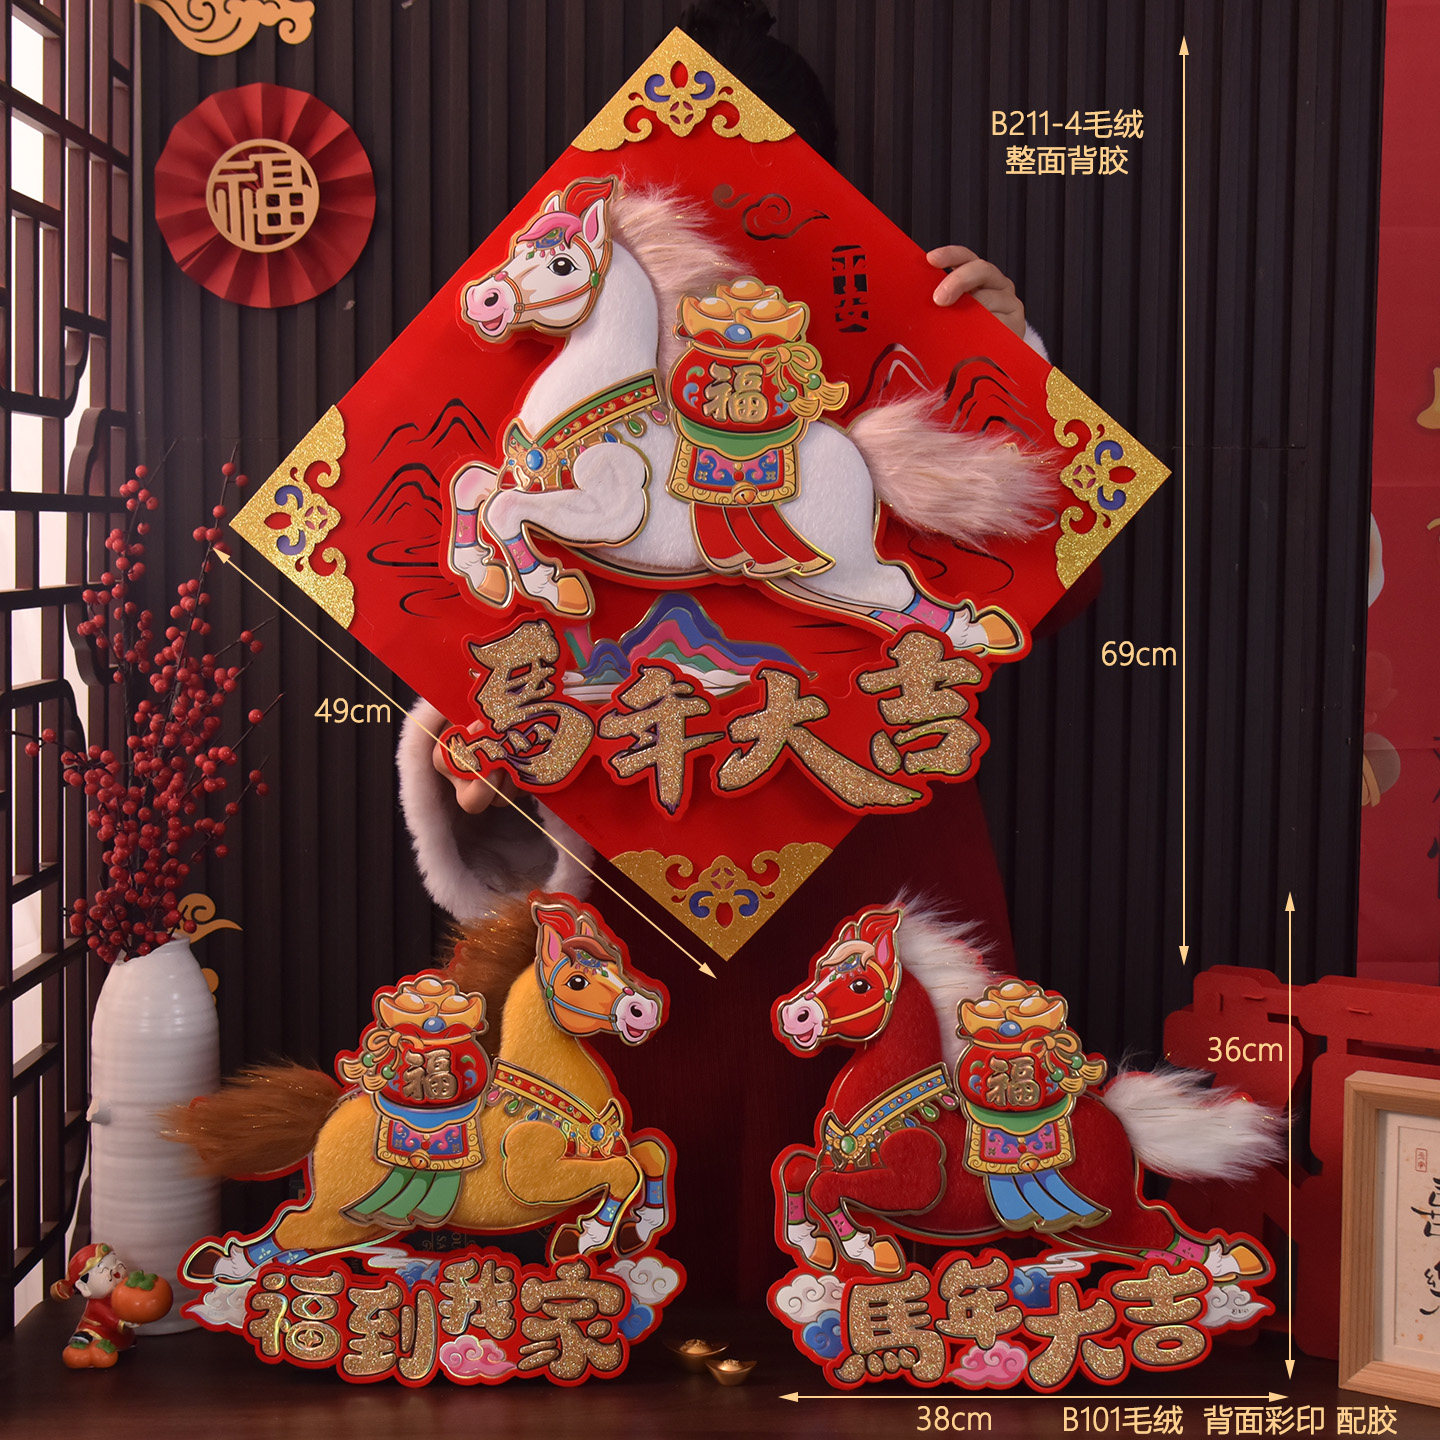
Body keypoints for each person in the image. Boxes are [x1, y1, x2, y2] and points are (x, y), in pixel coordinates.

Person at [397, 0, 1076, 1303]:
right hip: (635, 825)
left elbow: (1042, 575)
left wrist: (1011, 373)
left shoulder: (889, 338)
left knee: (879, 1202)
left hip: (865, 821)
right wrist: (468, 736)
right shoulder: (536, 357)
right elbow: (439, 603)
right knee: (623, 1207)